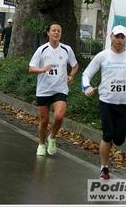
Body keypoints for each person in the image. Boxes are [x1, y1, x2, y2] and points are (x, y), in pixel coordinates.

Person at [82, 25, 126, 180]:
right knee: (108, 134)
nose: (119, 40)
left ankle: (107, 157)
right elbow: (86, 74)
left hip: (123, 105)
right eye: (117, 37)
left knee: (119, 140)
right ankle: (104, 168)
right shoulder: (103, 56)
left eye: (122, 37)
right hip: (106, 102)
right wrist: (87, 87)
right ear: (111, 37)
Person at [29, 21, 79, 157]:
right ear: (48, 33)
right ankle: (41, 144)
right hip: (44, 89)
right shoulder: (42, 50)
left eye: (59, 31)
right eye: (54, 30)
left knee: (59, 116)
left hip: (60, 89)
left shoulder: (67, 49)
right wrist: (42, 69)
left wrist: (71, 75)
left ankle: (52, 137)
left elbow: (75, 65)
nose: (56, 33)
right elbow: (31, 68)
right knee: (44, 120)